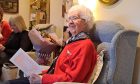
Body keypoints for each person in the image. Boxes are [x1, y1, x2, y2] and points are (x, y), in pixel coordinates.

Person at [7, 5, 97, 84]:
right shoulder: (73, 41)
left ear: (86, 21)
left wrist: (42, 79)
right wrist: (41, 73)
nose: (70, 22)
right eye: (69, 18)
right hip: (51, 79)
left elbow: (72, 79)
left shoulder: (85, 45)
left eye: (74, 18)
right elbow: (59, 70)